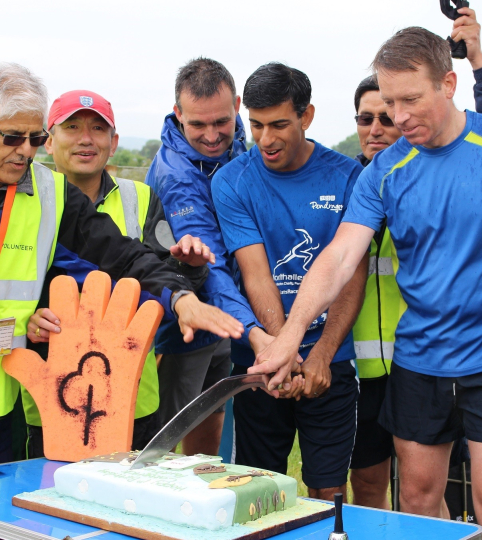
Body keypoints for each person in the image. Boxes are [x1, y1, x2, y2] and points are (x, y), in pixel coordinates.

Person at [0, 62, 243, 540]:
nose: (26, 152)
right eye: (14, 137)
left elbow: (123, 253)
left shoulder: (53, 192)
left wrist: (180, 297)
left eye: (37, 139)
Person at [251, 28, 482, 540]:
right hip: (417, 363)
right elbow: (338, 258)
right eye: (390, 102)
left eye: (411, 99)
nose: (398, 117)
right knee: (415, 504)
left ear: (449, 83)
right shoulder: (384, 171)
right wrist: (291, 335)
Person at [348, 6, 482, 510]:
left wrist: (479, 63)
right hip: (386, 365)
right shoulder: (363, 179)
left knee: (481, 497)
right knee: (404, 495)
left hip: (479, 353)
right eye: (371, 115)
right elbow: (336, 260)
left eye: (398, 109)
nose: (386, 124)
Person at [26, 89, 213, 455]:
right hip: (50, 396)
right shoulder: (25, 199)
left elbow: (165, 279)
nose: (85, 138)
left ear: (113, 143)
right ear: (49, 141)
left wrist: (191, 271)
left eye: (98, 129)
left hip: (134, 397)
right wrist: (28, 321)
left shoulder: (141, 199)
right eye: (72, 127)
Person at [212, 62, 367, 502]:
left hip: (329, 356)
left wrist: (319, 356)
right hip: (262, 360)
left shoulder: (347, 178)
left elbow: (351, 275)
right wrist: (284, 357)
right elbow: (256, 274)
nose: (266, 139)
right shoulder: (232, 181)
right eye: (256, 125)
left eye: (279, 124)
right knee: (260, 493)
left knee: (329, 489)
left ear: (307, 115)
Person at [146, 58, 272, 456]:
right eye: (198, 125)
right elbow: (210, 263)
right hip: (181, 321)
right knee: (166, 432)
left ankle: (200, 495)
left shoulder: (237, 146)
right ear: (177, 113)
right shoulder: (178, 176)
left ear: (237, 106)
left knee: (212, 414)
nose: (213, 135)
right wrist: (255, 333)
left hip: (226, 317)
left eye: (221, 121)